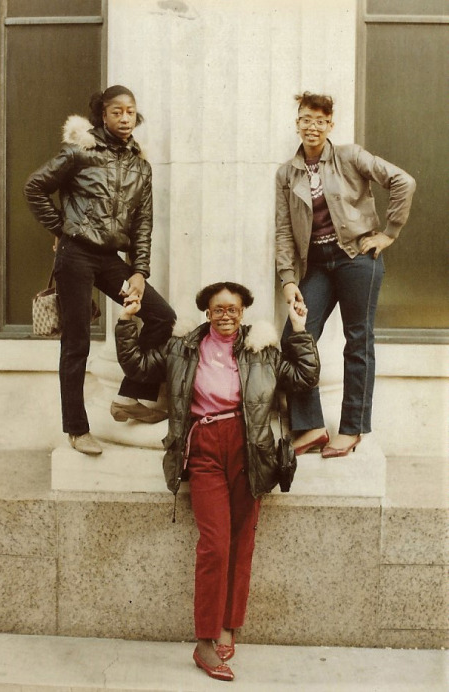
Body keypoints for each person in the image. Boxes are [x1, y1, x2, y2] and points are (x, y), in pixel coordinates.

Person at [115, 281, 319, 681]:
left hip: (249, 449)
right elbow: (137, 365)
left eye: (234, 309)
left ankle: (229, 625)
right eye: (218, 309)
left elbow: (305, 377)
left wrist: (298, 329)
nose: (226, 316)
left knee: (242, 540)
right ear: (207, 312)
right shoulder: (184, 347)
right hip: (204, 445)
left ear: (243, 312)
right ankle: (205, 639)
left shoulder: (261, 352)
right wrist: (127, 321)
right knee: (214, 543)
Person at [24, 85, 176, 456]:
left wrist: (139, 270)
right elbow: (35, 187)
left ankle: (129, 397)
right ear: (102, 116)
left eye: (130, 112)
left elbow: (143, 222)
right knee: (75, 343)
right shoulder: (80, 152)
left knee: (161, 316)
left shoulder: (141, 165)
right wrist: (62, 230)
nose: (124, 118)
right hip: (76, 254)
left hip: (109, 259)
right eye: (116, 112)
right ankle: (76, 430)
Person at [275, 92, 416, 458]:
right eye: (306, 119)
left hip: (358, 259)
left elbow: (404, 182)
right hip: (318, 265)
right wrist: (289, 279)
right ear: (297, 123)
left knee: (358, 342)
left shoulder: (351, 156)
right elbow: (283, 230)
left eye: (321, 121)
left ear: (330, 125)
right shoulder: (286, 173)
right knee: (295, 336)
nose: (313, 126)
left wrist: (389, 233)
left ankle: (352, 428)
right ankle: (311, 426)